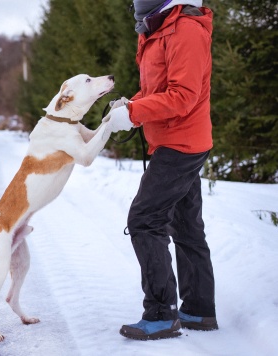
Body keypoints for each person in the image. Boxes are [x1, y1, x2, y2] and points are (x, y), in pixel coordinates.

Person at [103, 0, 218, 341]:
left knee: (144, 220)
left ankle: (161, 313)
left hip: (181, 143)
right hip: (173, 139)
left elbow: (183, 95)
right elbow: (159, 89)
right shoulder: (162, 27)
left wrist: (137, 113)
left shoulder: (185, 29)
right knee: (185, 225)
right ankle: (198, 310)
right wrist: (132, 104)